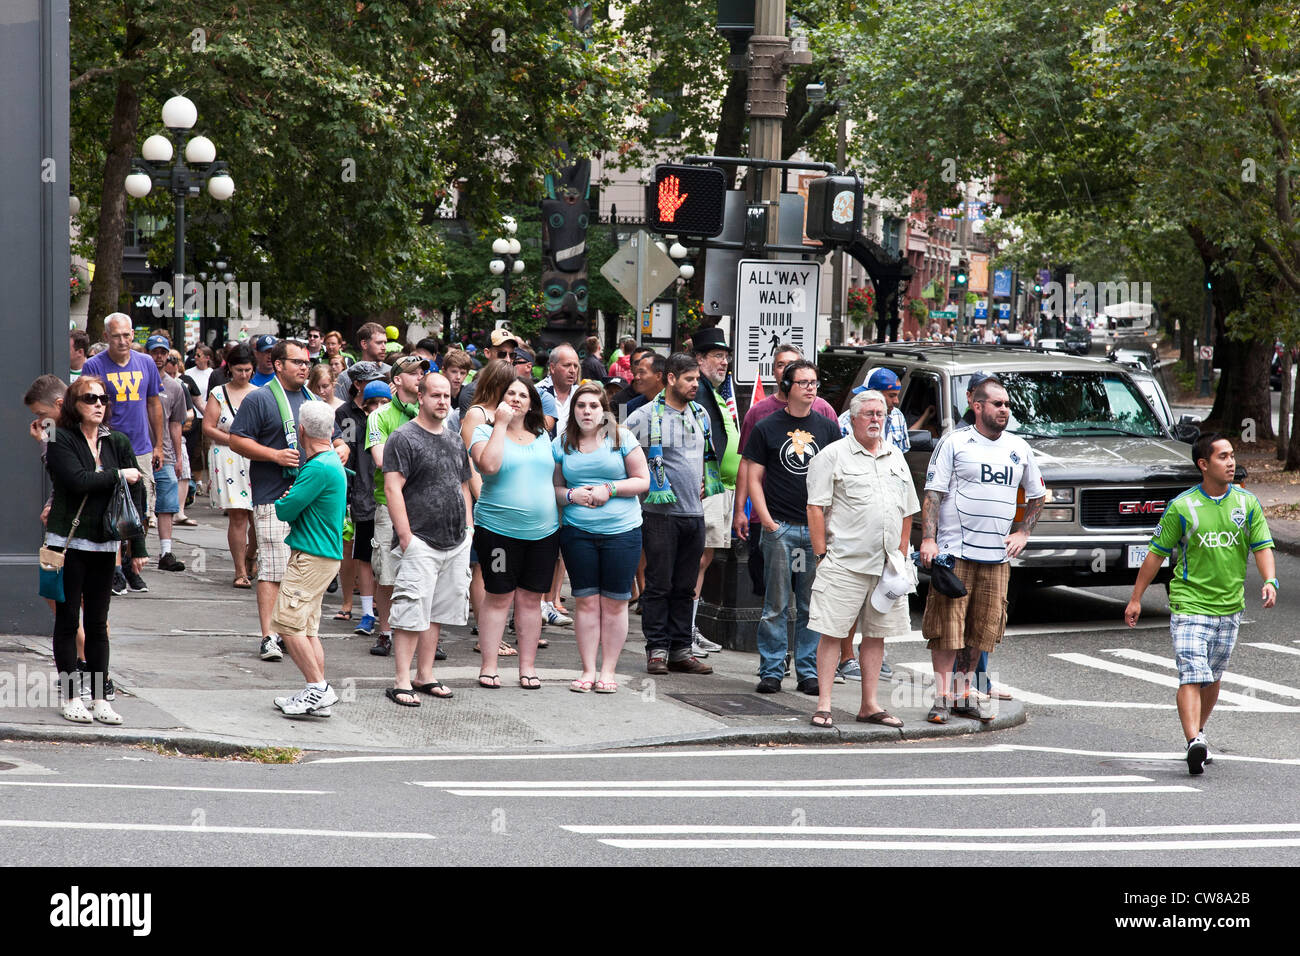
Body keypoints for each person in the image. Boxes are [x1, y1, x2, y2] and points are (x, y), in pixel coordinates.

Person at [1124, 434, 1276, 774]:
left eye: (1233, 455)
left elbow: (1262, 545)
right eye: (1223, 457)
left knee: (1212, 677)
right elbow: (1156, 555)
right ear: (1204, 465)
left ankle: (1200, 732)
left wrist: (1269, 580)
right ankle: (1194, 740)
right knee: (1192, 673)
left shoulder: (1247, 503)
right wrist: (1136, 598)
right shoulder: (1182, 506)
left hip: (1230, 607)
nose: (1231, 462)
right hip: (1190, 603)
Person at [918, 377, 1044, 723]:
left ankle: (961, 695)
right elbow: (933, 493)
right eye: (997, 404)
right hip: (954, 553)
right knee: (947, 627)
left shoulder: (1019, 448)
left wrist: (1023, 533)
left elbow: (1038, 495)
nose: (1004, 410)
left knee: (981, 629)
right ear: (978, 406)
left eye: (1006, 405)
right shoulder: (955, 443)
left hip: (996, 556)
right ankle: (941, 698)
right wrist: (928, 540)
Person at [229, 339, 348, 662]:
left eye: (307, 362)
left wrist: (341, 448)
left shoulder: (313, 399)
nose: (304, 367)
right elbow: (237, 440)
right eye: (297, 361)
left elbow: (336, 436)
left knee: (300, 569)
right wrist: (274, 455)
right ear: (278, 364)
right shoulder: (259, 398)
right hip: (274, 493)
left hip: (311, 495)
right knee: (273, 567)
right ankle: (269, 635)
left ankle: (297, 631)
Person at [806, 390, 918, 728]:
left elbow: (908, 508)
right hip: (844, 562)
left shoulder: (895, 455)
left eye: (880, 414)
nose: (875, 420)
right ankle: (824, 704)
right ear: (853, 419)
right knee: (831, 632)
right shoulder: (833, 455)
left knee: (876, 634)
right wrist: (821, 554)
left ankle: (869, 704)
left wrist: (899, 551)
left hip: (886, 566)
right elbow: (815, 507)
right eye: (868, 414)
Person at [44, 375, 146, 724]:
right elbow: (77, 480)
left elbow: (137, 495)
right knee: (68, 621)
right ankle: (71, 695)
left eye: (103, 398)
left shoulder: (116, 440)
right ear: (74, 404)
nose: (99, 404)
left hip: (106, 544)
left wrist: (139, 545)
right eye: (90, 398)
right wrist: (119, 475)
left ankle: (100, 699)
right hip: (67, 543)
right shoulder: (59, 437)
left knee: (99, 624)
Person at [743, 358, 843, 694]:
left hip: (813, 531)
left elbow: (836, 479)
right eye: (804, 383)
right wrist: (767, 522)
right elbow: (753, 477)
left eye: (814, 382)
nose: (811, 388)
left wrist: (829, 523)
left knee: (810, 604)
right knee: (776, 604)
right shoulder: (767, 427)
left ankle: (808, 671)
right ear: (787, 388)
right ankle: (771, 669)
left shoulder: (828, 428)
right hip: (780, 529)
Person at [625, 353, 725, 676]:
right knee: (659, 585)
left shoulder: (701, 416)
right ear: (670, 379)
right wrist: (641, 486)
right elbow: (620, 451)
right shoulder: (644, 416)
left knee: (685, 586)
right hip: (659, 515)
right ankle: (657, 649)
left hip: (693, 515)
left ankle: (681, 649)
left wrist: (704, 483)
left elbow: (704, 459)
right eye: (689, 379)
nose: (696, 384)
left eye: (697, 379)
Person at [381, 371, 473, 706]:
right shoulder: (403, 438)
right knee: (410, 611)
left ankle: (425, 674)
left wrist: (469, 528)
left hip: (455, 540)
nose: (442, 401)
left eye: (447, 396)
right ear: (419, 397)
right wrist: (406, 537)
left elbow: (463, 485)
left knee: (436, 612)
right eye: (435, 395)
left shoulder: (453, 438)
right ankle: (401, 680)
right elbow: (393, 488)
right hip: (419, 539)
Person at [552, 382, 650, 693]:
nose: (587, 411)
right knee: (586, 602)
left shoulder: (621, 437)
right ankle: (587, 670)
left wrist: (610, 489)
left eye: (594, 406)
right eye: (581, 406)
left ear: (604, 409)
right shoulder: (563, 442)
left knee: (615, 604)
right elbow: (553, 489)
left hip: (622, 532)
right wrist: (571, 493)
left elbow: (643, 480)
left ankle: (608, 671)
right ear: (573, 410)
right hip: (577, 533)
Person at [469, 374, 561, 689]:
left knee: (531, 600)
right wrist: (500, 425)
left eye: (523, 395)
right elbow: (489, 467)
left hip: (543, 533)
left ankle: (528, 668)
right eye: (511, 393)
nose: (517, 399)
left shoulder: (542, 435)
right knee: (498, 597)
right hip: (498, 533)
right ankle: (489, 666)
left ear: (532, 403)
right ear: (500, 399)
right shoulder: (484, 430)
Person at [270, 401, 347, 717]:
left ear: (300, 431)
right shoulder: (329, 462)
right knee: (307, 629)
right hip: (322, 557)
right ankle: (315, 692)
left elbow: (285, 509)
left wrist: (283, 499)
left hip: (311, 558)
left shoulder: (317, 467)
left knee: (288, 626)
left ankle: (318, 689)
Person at [81, 313, 163, 593]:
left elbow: (154, 403)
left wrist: (159, 444)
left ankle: (131, 563)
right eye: (116, 335)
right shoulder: (93, 365)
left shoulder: (146, 363)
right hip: (108, 445)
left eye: (127, 335)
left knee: (142, 510)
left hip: (140, 447)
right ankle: (113, 568)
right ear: (106, 337)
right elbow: (85, 405)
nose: (123, 341)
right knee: (112, 508)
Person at [732, 344, 838, 543]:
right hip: (768, 516)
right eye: (781, 365)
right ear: (774, 371)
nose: (785, 369)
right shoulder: (759, 413)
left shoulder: (824, 411)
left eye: (792, 364)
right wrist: (740, 511)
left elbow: (838, 467)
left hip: (814, 519)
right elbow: (746, 464)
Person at [363, 354, 429, 656]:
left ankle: (427, 635)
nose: (420, 378)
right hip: (388, 503)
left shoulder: (430, 412)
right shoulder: (379, 416)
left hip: (426, 506)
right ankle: (386, 632)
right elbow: (381, 460)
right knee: (387, 573)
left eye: (423, 373)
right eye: (414, 373)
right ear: (398, 380)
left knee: (425, 572)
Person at [460, 360, 522, 658]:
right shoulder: (477, 414)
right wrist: (480, 495)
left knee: (499, 569)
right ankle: (486, 634)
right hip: (483, 499)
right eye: (510, 388)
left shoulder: (507, 415)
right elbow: (470, 462)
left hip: (505, 498)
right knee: (483, 568)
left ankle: (495, 632)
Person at [690, 327, 738, 656]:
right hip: (706, 486)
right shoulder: (699, 390)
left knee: (705, 558)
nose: (724, 362)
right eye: (717, 356)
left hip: (723, 486)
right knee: (697, 558)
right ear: (700, 359)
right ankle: (685, 629)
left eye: (726, 357)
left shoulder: (716, 390)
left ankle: (689, 627)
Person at [334, 365, 387, 625]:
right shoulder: (346, 414)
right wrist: (346, 493)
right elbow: (348, 454)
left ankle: (380, 607)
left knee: (384, 556)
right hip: (360, 492)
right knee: (358, 552)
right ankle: (355, 606)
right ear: (357, 385)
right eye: (372, 403)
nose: (378, 407)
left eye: (383, 402)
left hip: (385, 497)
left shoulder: (394, 418)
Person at [204, 343, 257, 588]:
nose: (243, 374)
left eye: (247, 370)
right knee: (238, 515)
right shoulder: (218, 392)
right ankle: (240, 570)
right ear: (230, 369)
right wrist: (235, 441)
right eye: (239, 370)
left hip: (255, 457)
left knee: (259, 514)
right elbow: (208, 427)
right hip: (228, 456)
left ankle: (251, 555)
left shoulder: (260, 393)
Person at [144, 336, 188, 572]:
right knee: (139, 500)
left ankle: (166, 551)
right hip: (140, 449)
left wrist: (178, 456)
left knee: (168, 501)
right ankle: (134, 551)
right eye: (154, 352)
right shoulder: (139, 379)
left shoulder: (174, 386)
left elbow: (175, 423)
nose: (159, 357)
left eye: (163, 352)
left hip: (166, 453)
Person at [334, 322, 392, 401]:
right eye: (379, 343)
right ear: (364, 344)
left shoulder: (393, 373)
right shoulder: (346, 377)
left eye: (385, 342)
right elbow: (339, 409)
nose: (384, 347)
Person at [537, 342, 581, 435]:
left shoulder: (581, 394)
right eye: (567, 365)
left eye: (576, 366)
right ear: (552, 368)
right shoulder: (537, 393)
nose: (572, 370)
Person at [625, 352, 665, 416]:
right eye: (637, 372)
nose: (637, 377)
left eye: (642, 372)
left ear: (658, 376)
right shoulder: (627, 407)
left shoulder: (679, 404)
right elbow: (621, 424)